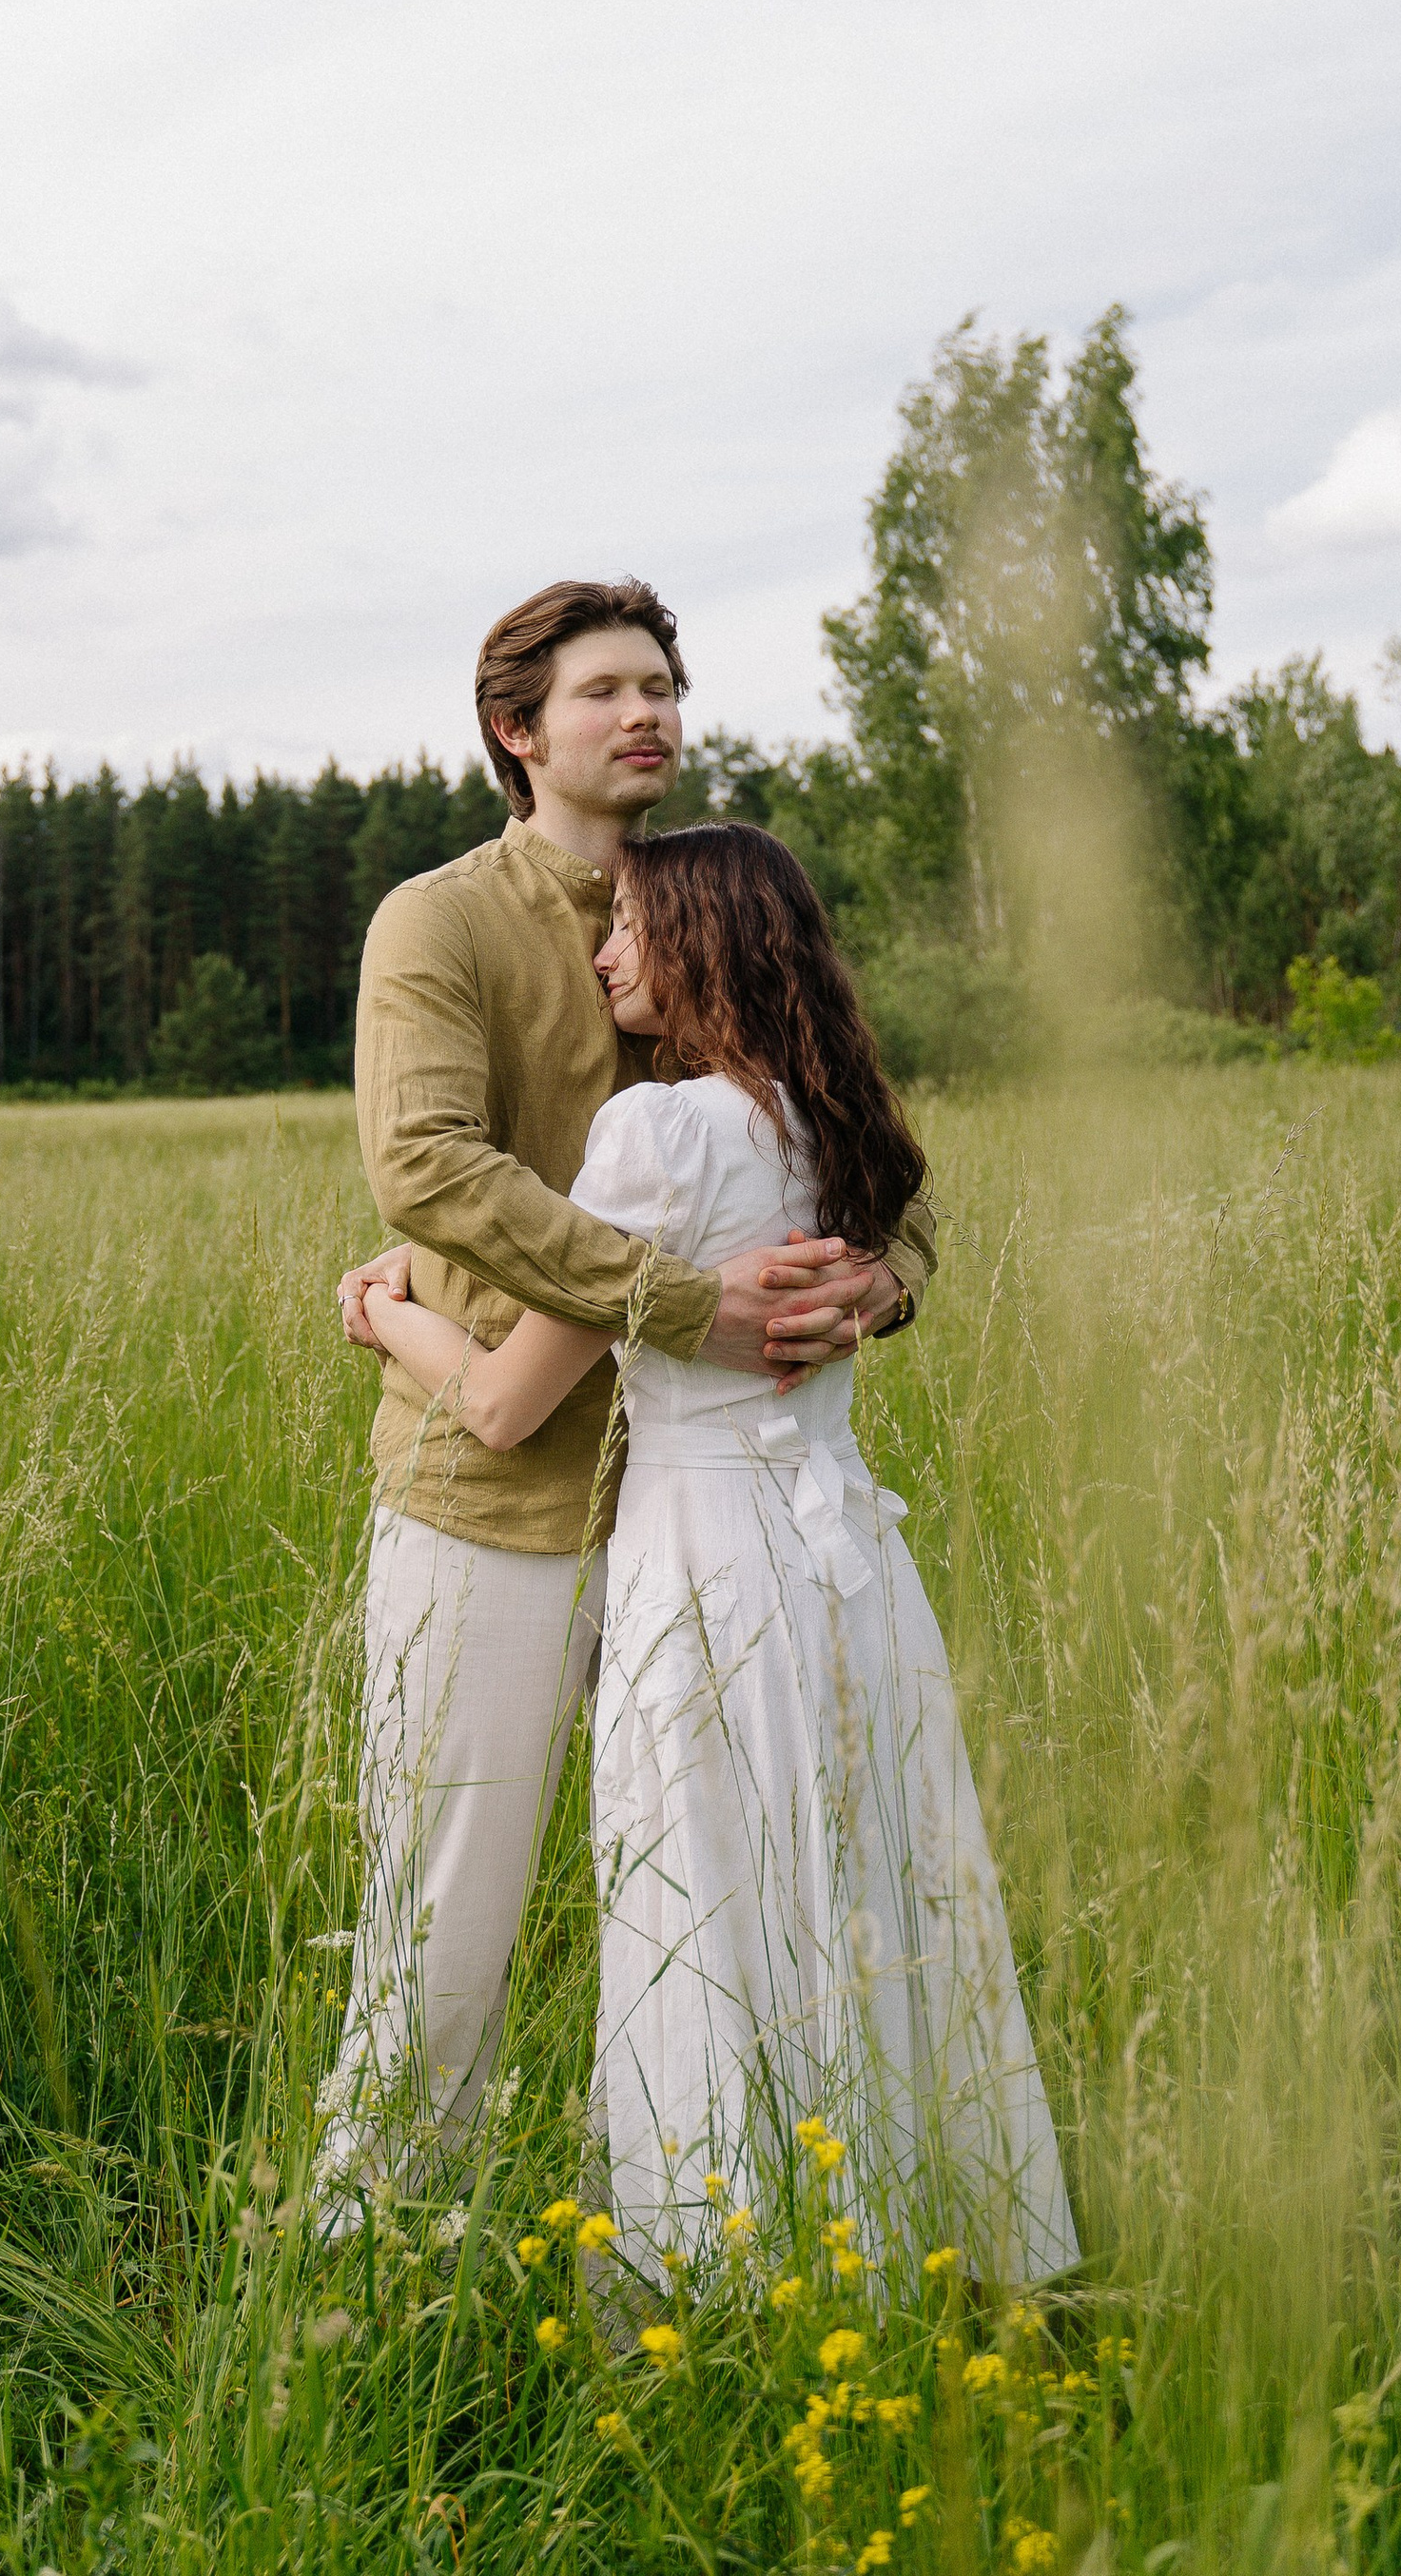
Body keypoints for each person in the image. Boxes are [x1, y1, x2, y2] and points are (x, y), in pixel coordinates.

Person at [362, 822, 1075, 2288]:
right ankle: (901, 2231)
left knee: (696, 1908)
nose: (604, 954)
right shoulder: (835, 1125)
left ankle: (713, 2270)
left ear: (700, 948)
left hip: (705, 1572)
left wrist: (385, 1317)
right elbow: (884, 1281)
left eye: (626, 928)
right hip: (847, 1570)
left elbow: (503, 1407)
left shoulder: (658, 1137)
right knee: (856, 1896)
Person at [318, 578, 937, 2198]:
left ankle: (713, 2215)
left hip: (713, 1525)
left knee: (718, 1896)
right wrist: (677, 1303)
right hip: (498, 1494)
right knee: (451, 1904)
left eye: (662, 682)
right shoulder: (438, 924)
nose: (647, 710)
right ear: (518, 733)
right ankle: (373, 2241)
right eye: (605, 690)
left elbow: (842, 1127)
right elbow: (425, 1166)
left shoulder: (718, 904)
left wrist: (882, 1276)